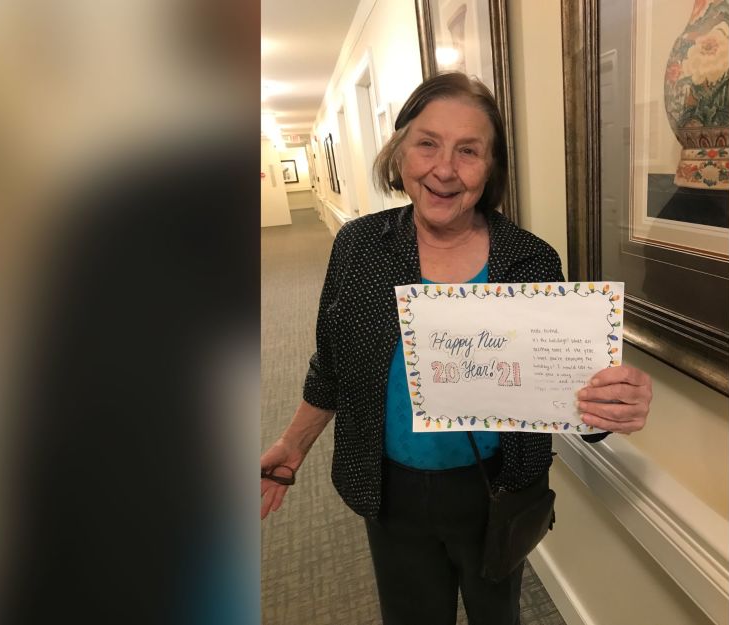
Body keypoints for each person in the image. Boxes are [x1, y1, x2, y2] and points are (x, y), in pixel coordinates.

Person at [260, 72, 653, 625]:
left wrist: (611, 404)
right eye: (427, 144)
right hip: (387, 487)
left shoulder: (529, 261)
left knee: (499, 615)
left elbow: (567, 397)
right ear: (400, 153)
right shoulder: (360, 248)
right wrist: (292, 446)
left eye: (469, 151)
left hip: (497, 489)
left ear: (490, 169)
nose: (444, 169)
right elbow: (332, 366)